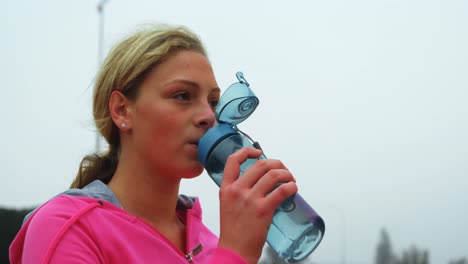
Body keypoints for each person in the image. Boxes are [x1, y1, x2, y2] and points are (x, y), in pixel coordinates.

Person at [9, 23, 299, 264]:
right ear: (122, 111)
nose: (209, 116)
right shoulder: (66, 228)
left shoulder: (207, 242)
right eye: (182, 95)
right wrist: (235, 254)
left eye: (213, 102)